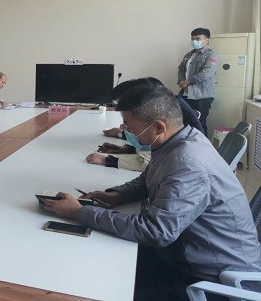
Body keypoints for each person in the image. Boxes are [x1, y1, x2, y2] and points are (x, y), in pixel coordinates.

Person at [44, 85, 261, 301]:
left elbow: (156, 231)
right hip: (186, 253)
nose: (126, 131)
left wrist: (80, 213)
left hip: (212, 281)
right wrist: (117, 195)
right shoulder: (177, 140)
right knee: (103, 261)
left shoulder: (188, 163)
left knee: (102, 287)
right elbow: (147, 179)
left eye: (130, 127)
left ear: (158, 127)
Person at [89, 77, 204, 171]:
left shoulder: (183, 159)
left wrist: (109, 160)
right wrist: (130, 149)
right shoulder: (163, 113)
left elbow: (151, 162)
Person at [177, 27, 219, 136]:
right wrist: (181, 82)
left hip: (201, 96)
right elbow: (181, 69)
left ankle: (203, 145)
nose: (194, 41)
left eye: (198, 39)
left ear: (206, 40)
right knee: (184, 123)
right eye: (192, 39)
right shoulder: (189, 55)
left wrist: (187, 82)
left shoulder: (212, 55)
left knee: (199, 123)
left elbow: (206, 73)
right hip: (185, 94)